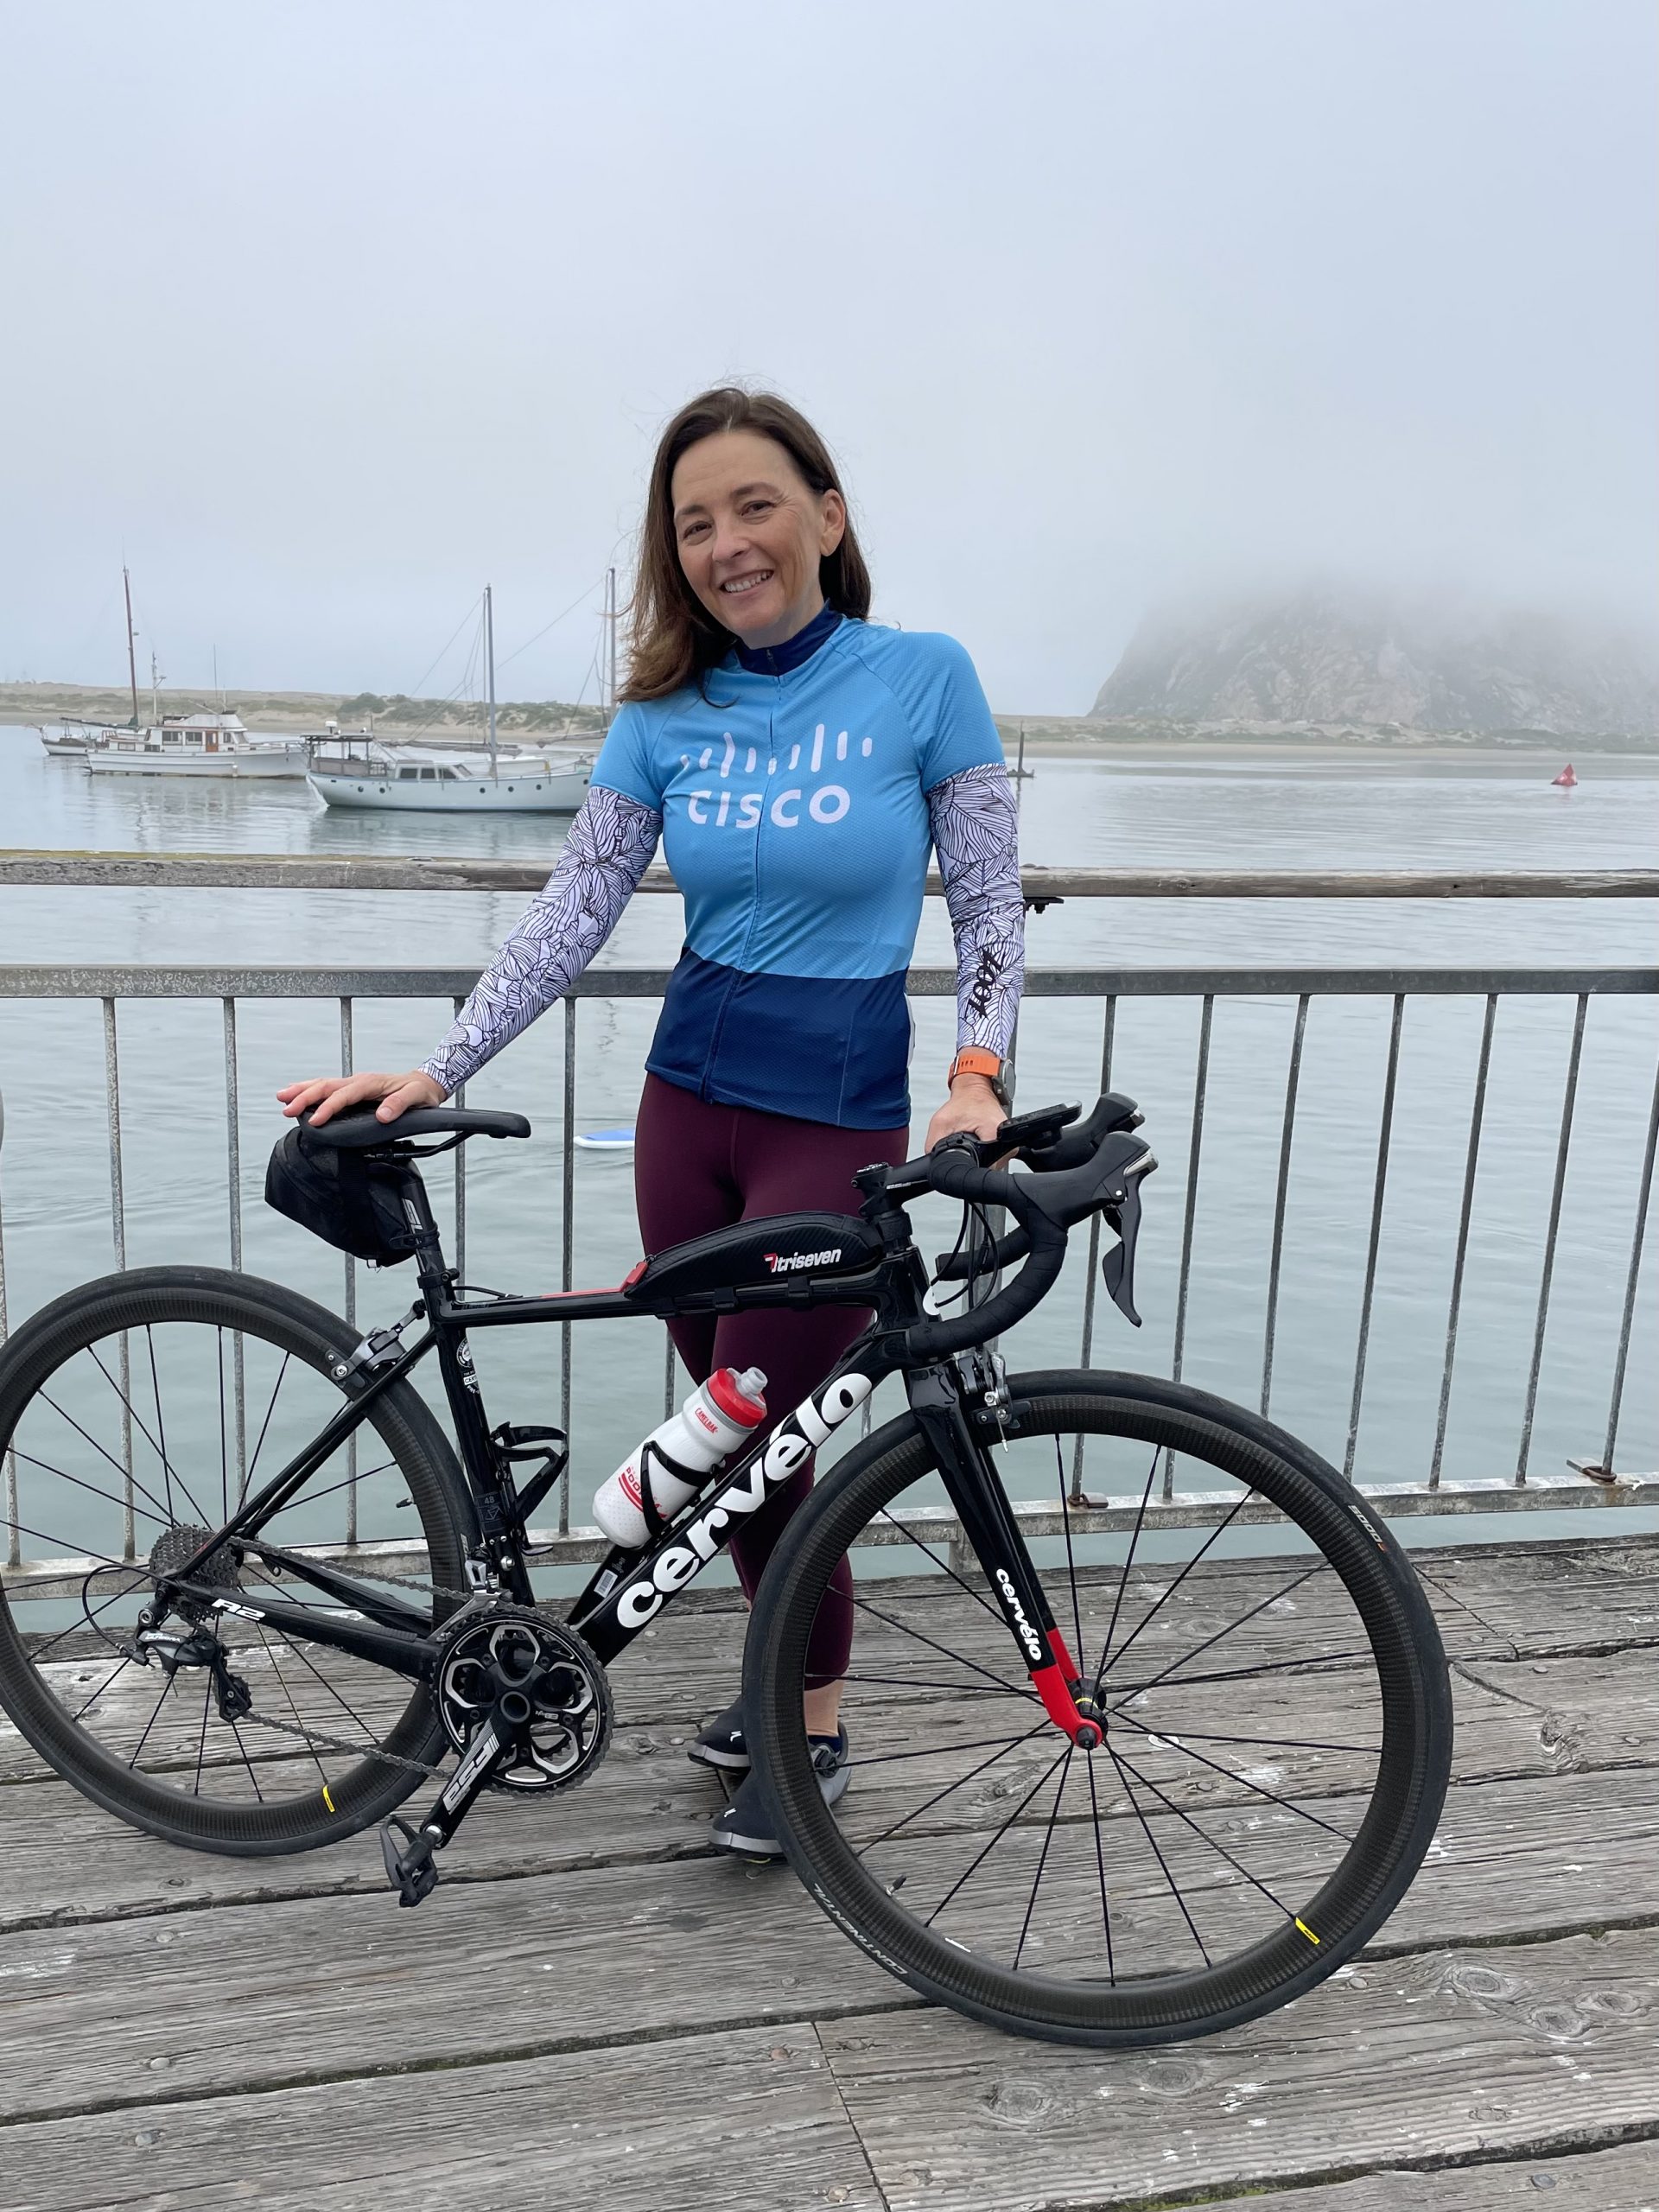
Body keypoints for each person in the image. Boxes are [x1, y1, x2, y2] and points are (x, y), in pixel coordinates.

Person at [277, 386, 1025, 1854]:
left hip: (837, 1111)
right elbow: (575, 908)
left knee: (751, 1421)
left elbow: (992, 897)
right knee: (761, 1441)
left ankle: (806, 1732)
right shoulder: (662, 715)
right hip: (686, 1117)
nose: (728, 543)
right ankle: (781, 1700)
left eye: (755, 506)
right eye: (695, 524)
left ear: (827, 515)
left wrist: (977, 1072)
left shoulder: (924, 678)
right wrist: (443, 1061)